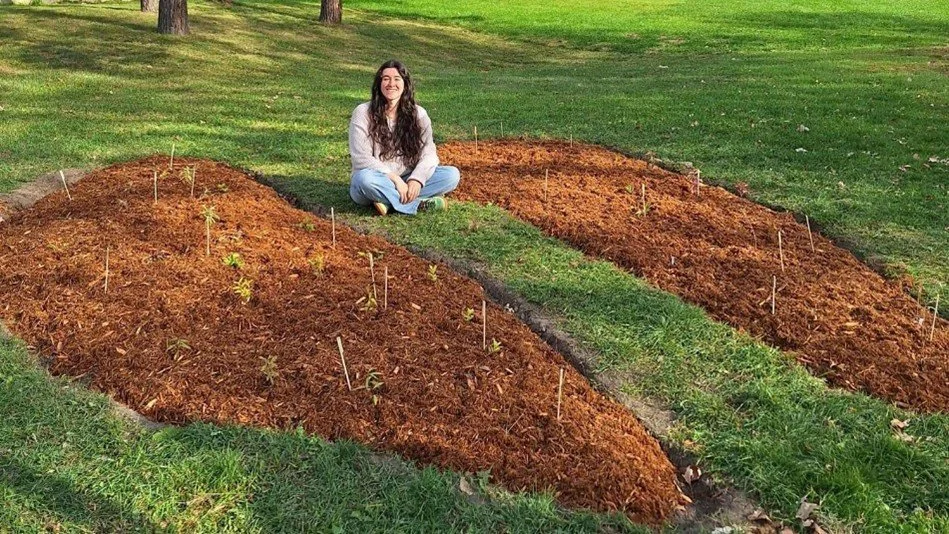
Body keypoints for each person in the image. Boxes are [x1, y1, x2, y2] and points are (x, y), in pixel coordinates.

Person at [348, 60, 460, 215]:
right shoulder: (363, 113)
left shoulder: (419, 114)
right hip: (377, 178)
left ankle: (387, 201)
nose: (391, 84)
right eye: (386, 79)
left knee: (451, 175)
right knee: (364, 180)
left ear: (405, 85)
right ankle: (416, 205)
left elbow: (429, 153)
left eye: (397, 79)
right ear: (379, 84)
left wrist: (417, 180)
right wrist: (395, 180)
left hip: (408, 177)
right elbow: (361, 158)